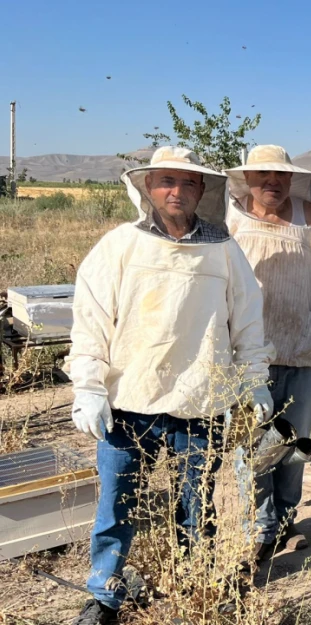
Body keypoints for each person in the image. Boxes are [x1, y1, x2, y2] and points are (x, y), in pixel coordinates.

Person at [67, 146, 274, 625]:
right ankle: (103, 598)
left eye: (186, 183)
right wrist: (89, 385)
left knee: (195, 507)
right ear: (148, 188)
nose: (176, 191)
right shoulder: (120, 245)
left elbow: (247, 321)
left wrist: (254, 382)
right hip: (127, 401)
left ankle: (194, 587)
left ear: (202, 190)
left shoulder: (224, 249)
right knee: (115, 508)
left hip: (199, 401)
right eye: (165, 181)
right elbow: (91, 319)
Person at [225, 145, 311, 560]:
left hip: (301, 346)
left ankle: (284, 521)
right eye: (263, 175)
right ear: (247, 179)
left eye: (279, 175)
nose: (272, 183)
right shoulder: (229, 218)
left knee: (294, 444)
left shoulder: (310, 217)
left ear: (289, 178)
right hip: (246, 356)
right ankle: (258, 527)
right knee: (254, 446)